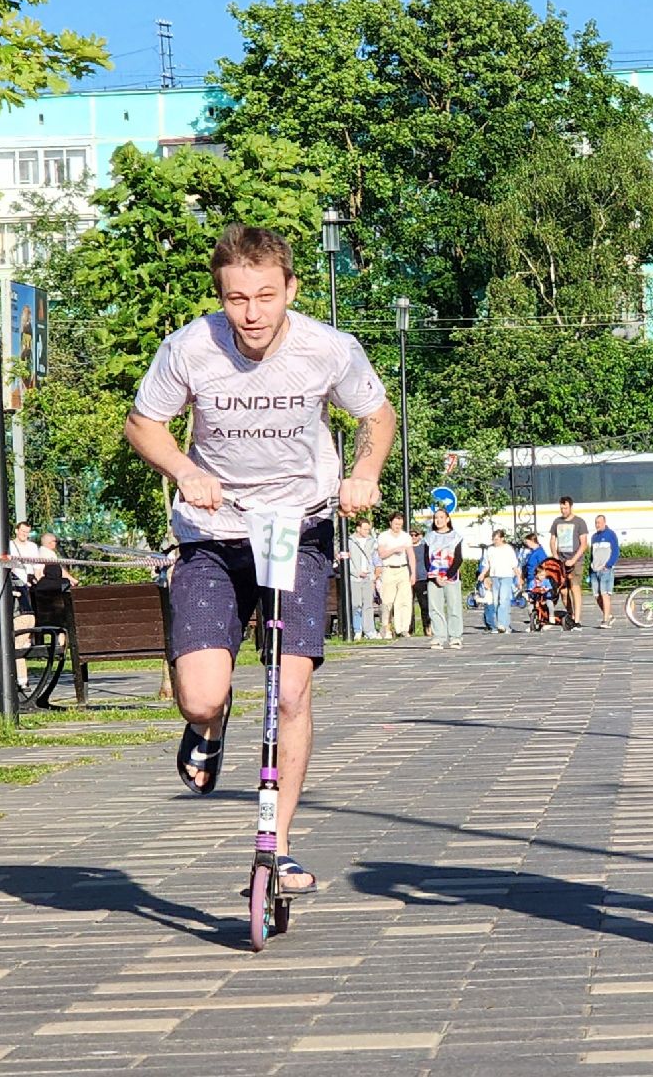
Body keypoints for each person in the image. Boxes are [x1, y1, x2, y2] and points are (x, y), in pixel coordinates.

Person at [123, 223, 393, 901]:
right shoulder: (189, 347)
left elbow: (377, 416)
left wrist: (364, 474)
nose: (251, 313)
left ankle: (277, 846)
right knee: (201, 694)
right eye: (237, 298)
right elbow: (142, 424)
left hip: (297, 529)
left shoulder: (328, 349)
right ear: (221, 297)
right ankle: (206, 726)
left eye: (266, 296)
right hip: (212, 534)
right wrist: (185, 470)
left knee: (290, 692)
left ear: (290, 290)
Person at [423, 507, 465, 649]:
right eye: (436, 518)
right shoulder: (429, 537)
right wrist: (435, 577)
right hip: (434, 577)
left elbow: (458, 559)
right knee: (435, 608)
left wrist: (447, 575)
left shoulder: (456, 536)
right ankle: (438, 636)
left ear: (447, 519)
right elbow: (426, 559)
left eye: (441, 517)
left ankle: (455, 637)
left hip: (451, 577)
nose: (438, 520)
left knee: (454, 607)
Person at [548, 497, 587, 629]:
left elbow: (584, 544)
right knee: (564, 591)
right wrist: (555, 556)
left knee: (575, 587)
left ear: (570, 507)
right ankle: (570, 614)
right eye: (561, 508)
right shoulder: (557, 522)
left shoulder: (579, 522)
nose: (563, 510)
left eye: (565, 508)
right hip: (561, 561)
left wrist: (573, 560)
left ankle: (577, 619)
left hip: (575, 561)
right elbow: (552, 540)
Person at [375, 514, 414, 638]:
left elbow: (411, 555)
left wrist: (413, 573)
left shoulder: (406, 537)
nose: (398, 526)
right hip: (388, 569)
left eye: (400, 524)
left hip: (403, 569)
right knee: (387, 601)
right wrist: (394, 550)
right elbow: (381, 554)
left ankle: (403, 628)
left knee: (404, 600)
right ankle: (385, 627)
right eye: (396, 524)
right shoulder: (383, 536)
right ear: (390, 523)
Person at [342, 517, 379, 638]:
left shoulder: (371, 541)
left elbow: (374, 558)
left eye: (368, 529)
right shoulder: (349, 542)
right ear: (358, 528)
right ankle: (357, 629)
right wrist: (356, 572)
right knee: (355, 604)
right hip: (355, 578)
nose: (367, 531)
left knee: (368, 604)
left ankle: (369, 630)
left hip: (368, 577)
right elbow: (347, 560)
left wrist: (373, 575)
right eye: (365, 529)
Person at [479, 528, 522, 633]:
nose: (495, 541)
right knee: (496, 602)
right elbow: (487, 564)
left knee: (503, 600)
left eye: (497, 539)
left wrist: (519, 578)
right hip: (495, 577)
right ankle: (503, 625)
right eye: (493, 539)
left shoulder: (508, 549)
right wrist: (483, 574)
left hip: (506, 576)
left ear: (502, 538)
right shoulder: (490, 550)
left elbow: (514, 565)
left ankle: (502, 624)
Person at [588, 515, 620, 627]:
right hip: (594, 570)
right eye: (596, 523)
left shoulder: (611, 534)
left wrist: (608, 565)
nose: (597, 525)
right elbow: (592, 554)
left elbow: (615, 551)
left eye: (599, 522)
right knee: (597, 595)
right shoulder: (594, 537)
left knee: (604, 594)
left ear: (604, 522)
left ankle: (605, 620)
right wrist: (590, 569)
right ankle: (609, 615)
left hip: (605, 570)